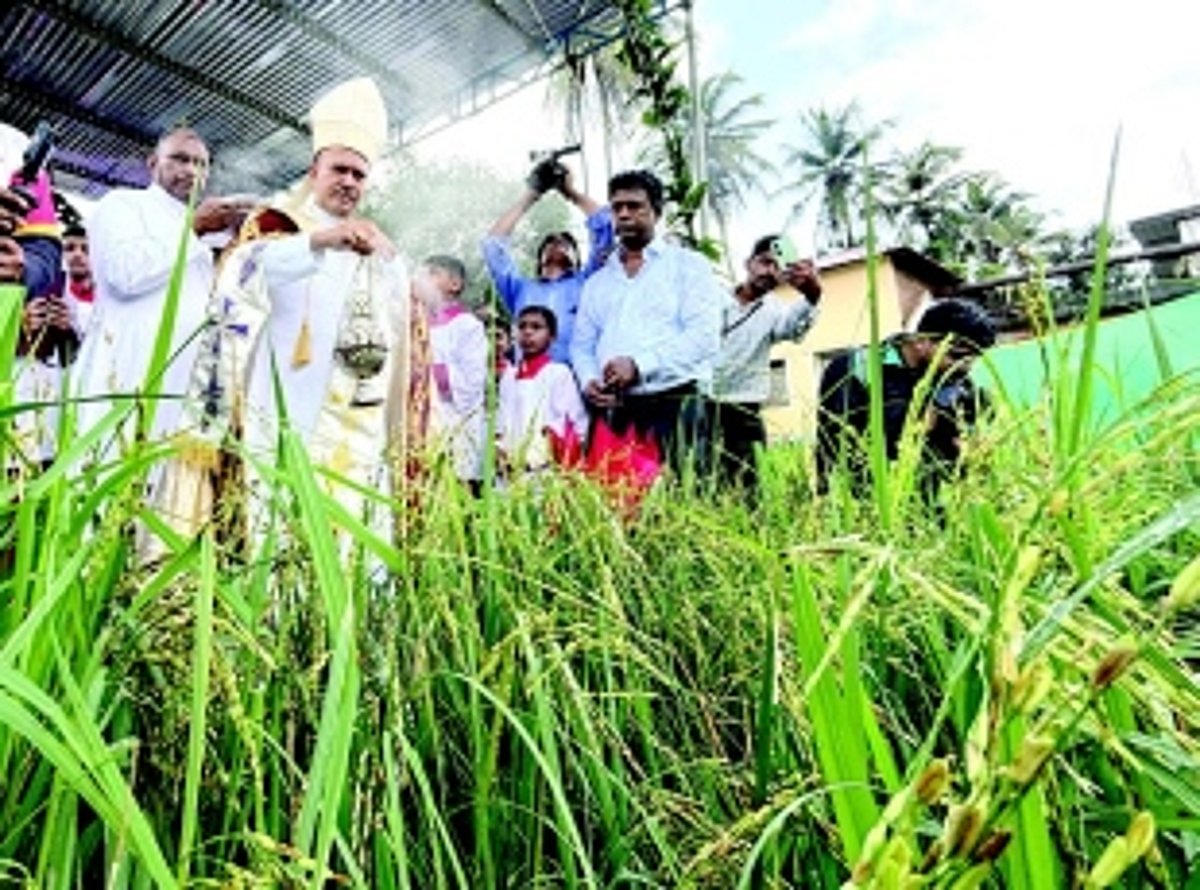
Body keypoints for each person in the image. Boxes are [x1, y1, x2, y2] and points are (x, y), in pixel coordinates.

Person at [156, 77, 428, 543]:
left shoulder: (377, 245)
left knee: (358, 545)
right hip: (283, 420)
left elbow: (404, 336)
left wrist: (396, 271)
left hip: (357, 429)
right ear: (314, 169)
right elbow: (239, 274)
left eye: (359, 175)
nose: (348, 182)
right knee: (280, 540)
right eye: (339, 169)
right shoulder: (278, 225)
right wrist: (320, 241)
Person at [74, 127, 249, 444]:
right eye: (180, 159)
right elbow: (123, 273)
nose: (191, 171)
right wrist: (193, 227)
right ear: (153, 164)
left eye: (201, 164)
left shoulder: (203, 233)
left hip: (186, 382)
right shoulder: (123, 203)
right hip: (129, 371)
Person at [570, 169, 723, 476]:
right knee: (619, 507)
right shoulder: (597, 282)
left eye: (634, 206)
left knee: (683, 504)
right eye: (617, 207)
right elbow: (582, 344)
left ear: (656, 211)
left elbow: (704, 337)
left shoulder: (688, 266)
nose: (624, 214)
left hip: (675, 403)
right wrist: (589, 380)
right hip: (616, 410)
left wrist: (639, 365)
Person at [815, 297, 997, 498]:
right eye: (956, 355)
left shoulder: (954, 377)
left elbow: (956, 446)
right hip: (860, 480)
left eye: (973, 359)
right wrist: (938, 415)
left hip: (920, 485)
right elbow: (843, 440)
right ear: (921, 341)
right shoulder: (856, 368)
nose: (965, 367)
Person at [710, 234, 822, 489]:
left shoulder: (776, 311)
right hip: (701, 403)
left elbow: (793, 329)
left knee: (747, 486)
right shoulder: (714, 298)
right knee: (701, 478)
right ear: (748, 263)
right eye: (764, 262)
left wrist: (812, 296)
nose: (770, 271)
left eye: (778, 267)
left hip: (744, 410)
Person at [481, 161, 613, 365]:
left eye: (567, 243)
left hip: (579, 382)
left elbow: (606, 225)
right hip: (528, 384)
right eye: (550, 241)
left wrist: (570, 192)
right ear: (540, 258)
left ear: (577, 259)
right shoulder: (519, 289)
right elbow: (492, 247)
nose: (558, 243)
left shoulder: (587, 281)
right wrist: (531, 194)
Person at [418, 254, 489, 491]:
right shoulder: (417, 323)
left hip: (457, 425)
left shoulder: (467, 325)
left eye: (433, 273)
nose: (423, 279)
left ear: (455, 284)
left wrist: (423, 370)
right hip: (424, 422)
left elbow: (471, 383)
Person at [497, 305, 588, 478]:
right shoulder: (508, 376)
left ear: (552, 336)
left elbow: (575, 422)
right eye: (522, 326)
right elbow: (501, 421)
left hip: (545, 470)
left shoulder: (558, 373)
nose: (528, 332)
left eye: (536, 327)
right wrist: (499, 449)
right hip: (508, 470)